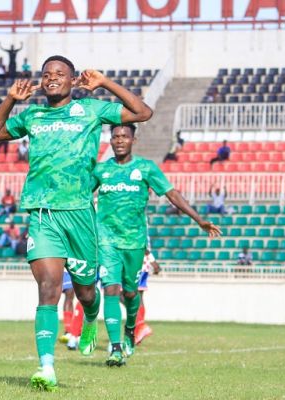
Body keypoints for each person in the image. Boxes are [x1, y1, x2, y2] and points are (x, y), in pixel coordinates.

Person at [0, 55, 154, 390]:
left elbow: (142, 113)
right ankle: (46, 366)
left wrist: (104, 82)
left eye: (59, 74)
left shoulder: (91, 109)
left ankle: (90, 317)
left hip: (79, 215)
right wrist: (10, 100)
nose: (51, 79)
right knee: (47, 288)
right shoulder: (32, 115)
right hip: (43, 213)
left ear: (73, 79)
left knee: (87, 293)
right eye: (46, 74)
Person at [92, 124, 221, 367]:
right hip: (106, 241)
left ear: (134, 140)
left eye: (124, 137)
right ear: (110, 140)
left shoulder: (146, 168)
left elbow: (172, 194)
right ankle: (116, 349)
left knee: (130, 294)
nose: (119, 141)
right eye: (115, 137)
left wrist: (199, 219)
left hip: (134, 242)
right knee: (110, 289)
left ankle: (131, 328)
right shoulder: (100, 170)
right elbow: (81, 197)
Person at [134, 248, 161, 345]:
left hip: (135, 263)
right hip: (143, 264)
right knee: (139, 298)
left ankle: (140, 326)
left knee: (122, 295)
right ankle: (138, 331)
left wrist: (153, 262)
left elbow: (142, 244)